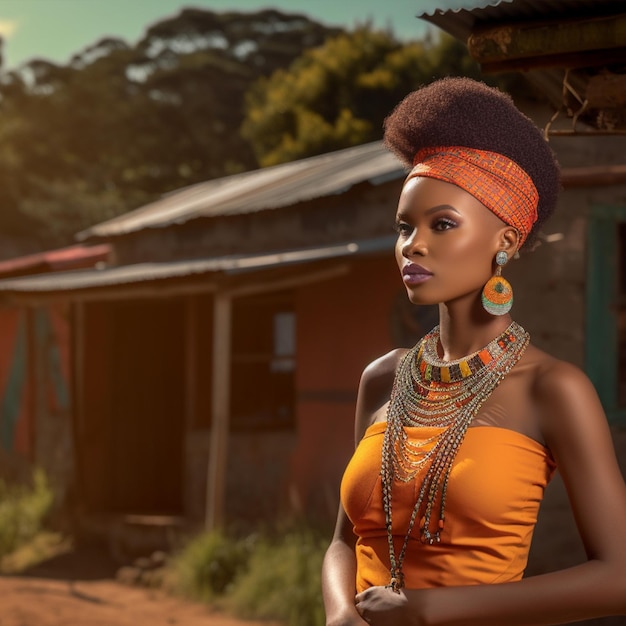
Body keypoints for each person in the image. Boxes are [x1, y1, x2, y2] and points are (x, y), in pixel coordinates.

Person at [321, 77, 626, 626]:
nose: (413, 244)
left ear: (505, 242)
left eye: (442, 224)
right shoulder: (384, 378)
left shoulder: (552, 389)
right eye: (404, 226)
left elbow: (619, 578)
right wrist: (341, 613)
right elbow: (344, 541)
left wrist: (430, 608)